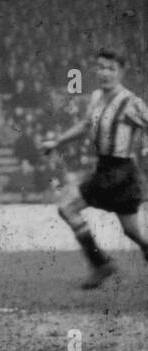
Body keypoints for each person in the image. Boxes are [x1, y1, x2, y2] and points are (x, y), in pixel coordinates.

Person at [40, 49, 148, 288]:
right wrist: (57, 142)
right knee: (131, 231)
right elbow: (86, 125)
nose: (105, 73)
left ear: (121, 72)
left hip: (120, 170)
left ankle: (100, 264)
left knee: (67, 208)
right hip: (110, 171)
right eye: (101, 67)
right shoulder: (97, 97)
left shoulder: (130, 102)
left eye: (111, 69)